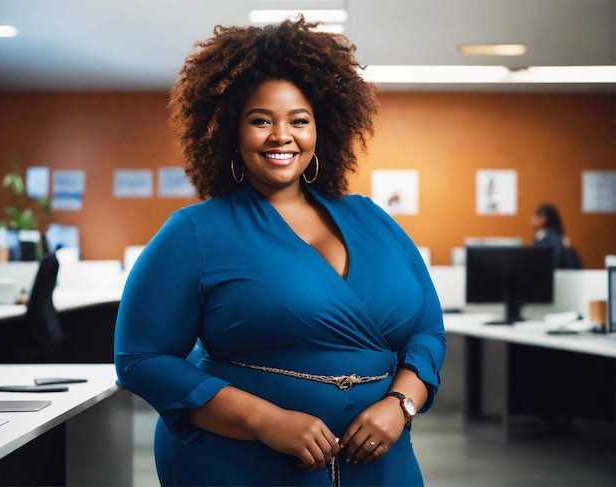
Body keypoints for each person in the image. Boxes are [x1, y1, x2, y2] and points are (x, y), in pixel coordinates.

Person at [114, 17, 446, 487]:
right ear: (231, 129)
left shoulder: (372, 218)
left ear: (321, 129)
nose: (281, 136)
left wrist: (400, 405)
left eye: (299, 120)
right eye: (260, 120)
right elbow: (140, 359)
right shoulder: (194, 231)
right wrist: (264, 421)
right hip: (240, 463)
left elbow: (427, 333)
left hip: (379, 463)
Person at [531, 203, 582, 269]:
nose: (532, 219)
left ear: (543, 219)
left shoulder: (552, 239)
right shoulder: (552, 237)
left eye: (535, 216)